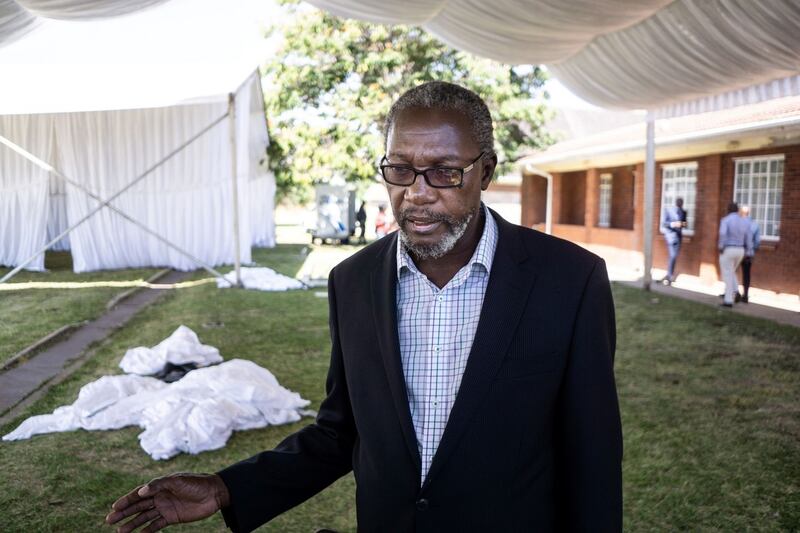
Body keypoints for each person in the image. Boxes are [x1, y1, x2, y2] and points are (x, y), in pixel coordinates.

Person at [106, 81, 622, 533]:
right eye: (400, 170)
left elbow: (592, 457)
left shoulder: (569, 281)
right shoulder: (352, 281)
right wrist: (227, 488)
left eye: (444, 173)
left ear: (485, 171)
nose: (416, 195)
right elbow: (340, 431)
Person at [718, 202, 753, 308]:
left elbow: (723, 234)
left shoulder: (725, 220)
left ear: (728, 210)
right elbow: (749, 237)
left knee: (727, 274)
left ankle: (728, 300)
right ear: (737, 210)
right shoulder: (744, 221)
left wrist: (720, 246)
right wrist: (749, 251)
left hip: (729, 248)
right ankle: (736, 291)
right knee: (731, 271)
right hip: (741, 250)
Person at [659, 197, 687, 285]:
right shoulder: (669, 210)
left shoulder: (683, 212)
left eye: (682, 203)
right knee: (673, 255)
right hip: (671, 237)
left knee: (674, 256)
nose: (680, 204)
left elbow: (685, 224)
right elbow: (664, 223)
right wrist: (674, 224)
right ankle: (670, 275)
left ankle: (669, 275)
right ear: (676, 203)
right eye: (679, 202)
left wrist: (682, 224)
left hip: (678, 237)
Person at [738, 205, 760, 303]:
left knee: (732, 271)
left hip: (738, 251)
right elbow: (757, 242)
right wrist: (752, 250)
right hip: (748, 253)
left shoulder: (738, 223)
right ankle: (745, 294)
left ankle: (732, 293)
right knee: (746, 274)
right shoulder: (754, 224)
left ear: (741, 213)